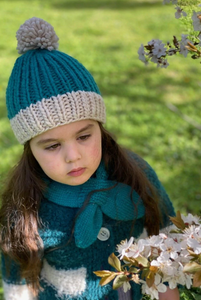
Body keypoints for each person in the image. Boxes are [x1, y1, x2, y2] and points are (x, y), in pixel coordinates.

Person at [0, 17, 179, 300]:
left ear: (100, 128)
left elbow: (165, 249)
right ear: (29, 149)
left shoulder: (135, 175)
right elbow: (18, 284)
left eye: (84, 136)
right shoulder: (26, 208)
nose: (73, 156)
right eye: (52, 146)